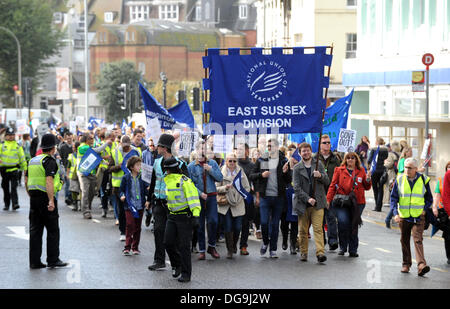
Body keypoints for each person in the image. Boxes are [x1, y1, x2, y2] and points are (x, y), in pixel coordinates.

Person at [26, 133, 67, 269]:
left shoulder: (32, 161)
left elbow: (26, 180)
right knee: (53, 230)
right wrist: (51, 200)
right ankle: (53, 260)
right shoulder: (49, 161)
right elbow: (49, 181)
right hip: (46, 198)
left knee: (35, 231)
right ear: (53, 148)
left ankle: (34, 261)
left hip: (34, 198)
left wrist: (30, 194)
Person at [148, 133, 189, 270]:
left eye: (158, 145)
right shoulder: (156, 162)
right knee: (158, 231)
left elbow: (187, 184)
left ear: (164, 148)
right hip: (158, 202)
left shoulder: (181, 164)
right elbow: (153, 182)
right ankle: (159, 260)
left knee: (172, 237)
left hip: (173, 205)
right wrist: (149, 199)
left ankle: (176, 264)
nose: (156, 147)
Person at [390, 158, 433, 276]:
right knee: (404, 240)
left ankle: (421, 265)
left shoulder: (423, 180)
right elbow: (393, 198)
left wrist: (424, 210)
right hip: (403, 216)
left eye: (409, 168)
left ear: (415, 169)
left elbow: (429, 198)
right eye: (405, 168)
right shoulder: (399, 180)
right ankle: (406, 264)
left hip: (419, 216)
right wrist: (395, 214)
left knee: (418, 239)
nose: (407, 170)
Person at [162, 157, 201, 283]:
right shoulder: (166, 180)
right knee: (167, 242)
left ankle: (186, 273)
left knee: (184, 246)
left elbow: (193, 198)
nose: (165, 171)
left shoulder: (185, 181)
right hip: (172, 215)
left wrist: (196, 215)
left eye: (166, 169)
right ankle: (177, 264)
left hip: (185, 217)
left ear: (170, 169)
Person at [252, 138, 291, 258]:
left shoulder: (283, 160)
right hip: (265, 197)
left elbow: (289, 181)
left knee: (275, 224)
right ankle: (265, 241)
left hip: (278, 197)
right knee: (264, 222)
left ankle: (273, 249)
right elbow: (252, 175)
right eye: (268, 146)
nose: (269, 148)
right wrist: (261, 175)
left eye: (272, 146)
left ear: (277, 147)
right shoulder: (262, 159)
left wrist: (286, 172)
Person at [326, 152, 372, 257]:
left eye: (352, 158)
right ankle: (343, 247)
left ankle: (353, 249)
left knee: (353, 225)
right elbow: (332, 185)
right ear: (345, 160)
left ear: (356, 160)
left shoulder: (361, 171)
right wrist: (328, 200)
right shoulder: (339, 170)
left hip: (357, 203)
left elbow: (366, 186)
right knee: (343, 222)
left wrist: (368, 179)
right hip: (342, 202)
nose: (350, 160)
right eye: (348, 158)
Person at [293, 142, 329, 263]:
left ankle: (320, 253)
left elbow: (327, 181)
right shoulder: (297, 168)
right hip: (303, 203)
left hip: (318, 203)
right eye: (303, 151)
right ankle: (304, 252)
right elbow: (296, 188)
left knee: (318, 229)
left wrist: (320, 176)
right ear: (300, 153)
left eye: (308, 150)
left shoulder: (318, 164)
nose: (306, 152)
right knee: (303, 230)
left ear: (311, 151)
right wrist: (308, 199)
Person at [188, 139, 223, 260]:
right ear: (197, 150)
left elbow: (219, 178)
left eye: (205, 148)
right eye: (201, 148)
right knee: (200, 224)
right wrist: (199, 193)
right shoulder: (191, 166)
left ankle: (211, 246)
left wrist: (210, 170)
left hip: (212, 195)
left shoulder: (212, 163)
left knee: (213, 221)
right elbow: (190, 184)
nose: (203, 151)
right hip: (199, 198)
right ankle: (202, 250)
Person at [216, 153, 250, 259]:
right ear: (226, 161)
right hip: (225, 203)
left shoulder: (241, 172)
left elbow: (247, 188)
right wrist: (225, 187)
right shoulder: (221, 172)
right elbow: (216, 188)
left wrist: (240, 197)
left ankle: (234, 244)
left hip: (238, 203)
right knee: (228, 227)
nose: (232, 163)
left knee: (237, 227)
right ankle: (229, 250)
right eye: (230, 161)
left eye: (234, 161)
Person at [109, 135, 141, 240]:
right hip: (119, 187)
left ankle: (132, 231)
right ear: (121, 143)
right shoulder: (115, 152)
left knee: (133, 209)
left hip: (133, 185)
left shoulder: (136, 152)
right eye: (124, 146)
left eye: (128, 146)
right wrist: (119, 166)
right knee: (122, 210)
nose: (126, 148)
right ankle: (123, 232)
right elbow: (109, 168)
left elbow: (141, 167)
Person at [316, 134, 342, 251]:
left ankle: (333, 240)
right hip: (318, 192)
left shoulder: (336, 159)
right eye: (324, 142)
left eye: (328, 143)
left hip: (331, 192)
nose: (327, 145)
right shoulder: (315, 158)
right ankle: (322, 240)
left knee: (331, 216)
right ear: (320, 145)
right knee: (319, 218)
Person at [77, 133, 112, 219]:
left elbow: (97, 157)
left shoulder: (89, 147)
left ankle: (88, 207)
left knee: (92, 192)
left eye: (93, 139)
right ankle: (86, 211)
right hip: (84, 173)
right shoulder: (82, 147)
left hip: (91, 172)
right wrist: (106, 143)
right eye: (91, 139)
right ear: (86, 140)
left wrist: (105, 162)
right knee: (85, 191)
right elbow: (97, 150)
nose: (93, 140)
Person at [119, 156, 148, 256]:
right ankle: (127, 247)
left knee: (137, 227)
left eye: (140, 165)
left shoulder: (143, 178)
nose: (140, 167)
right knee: (130, 224)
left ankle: (135, 247)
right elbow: (121, 190)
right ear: (131, 167)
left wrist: (149, 196)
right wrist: (122, 196)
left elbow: (146, 190)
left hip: (140, 205)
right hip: (129, 206)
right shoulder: (126, 178)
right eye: (138, 165)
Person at [0, 127, 27, 211]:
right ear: (5, 136)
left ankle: (15, 203)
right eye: (9, 135)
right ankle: (7, 204)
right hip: (4, 170)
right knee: (5, 188)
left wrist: (25, 169)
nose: (11, 137)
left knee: (13, 188)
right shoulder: (2, 145)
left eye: (12, 135)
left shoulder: (17, 146)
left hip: (14, 170)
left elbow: (22, 158)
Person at [236, 143, 256, 255]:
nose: (239, 151)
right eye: (237, 149)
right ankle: (233, 243)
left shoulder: (252, 165)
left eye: (241, 149)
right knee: (236, 224)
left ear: (247, 151)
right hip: (235, 198)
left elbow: (255, 182)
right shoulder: (233, 163)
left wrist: (256, 196)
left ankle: (243, 246)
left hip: (247, 198)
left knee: (245, 223)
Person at [282, 145, 299, 255]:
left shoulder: (300, 169)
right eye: (291, 156)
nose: (293, 159)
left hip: (296, 198)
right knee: (284, 222)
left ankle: (293, 244)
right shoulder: (285, 167)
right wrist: (283, 173)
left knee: (295, 223)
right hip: (285, 199)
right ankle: (284, 240)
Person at [432, 162, 450, 264]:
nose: (449, 169)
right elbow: (437, 194)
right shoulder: (442, 180)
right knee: (447, 235)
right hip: (444, 210)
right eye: (448, 167)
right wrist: (434, 207)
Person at [368, 137, 389, 212]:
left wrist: (368, 168)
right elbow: (387, 159)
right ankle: (379, 206)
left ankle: (377, 205)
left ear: (376, 142)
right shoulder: (386, 150)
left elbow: (369, 160)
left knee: (375, 188)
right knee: (381, 188)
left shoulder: (373, 149)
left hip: (374, 170)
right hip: (382, 170)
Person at [58, 132, 73, 206]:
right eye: (68, 138)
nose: (69, 139)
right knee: (67, 183)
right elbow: (60, 157)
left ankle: (72, 196)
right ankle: (67, 197)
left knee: (72, 183)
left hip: (73, 167)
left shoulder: (74, 146)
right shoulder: (63, 147)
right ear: (66, 138)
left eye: (70, 138)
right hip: (66, 167)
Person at [67, 142, 81, 211]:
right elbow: (68, 166)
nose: (72, 148)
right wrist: (67, 174)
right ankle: (75, 203)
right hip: (73, 175)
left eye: (73, 147)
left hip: (80, 174)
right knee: (73, 190)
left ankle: (80, 203)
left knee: (81, 190)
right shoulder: (70, 156)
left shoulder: (81, 155)